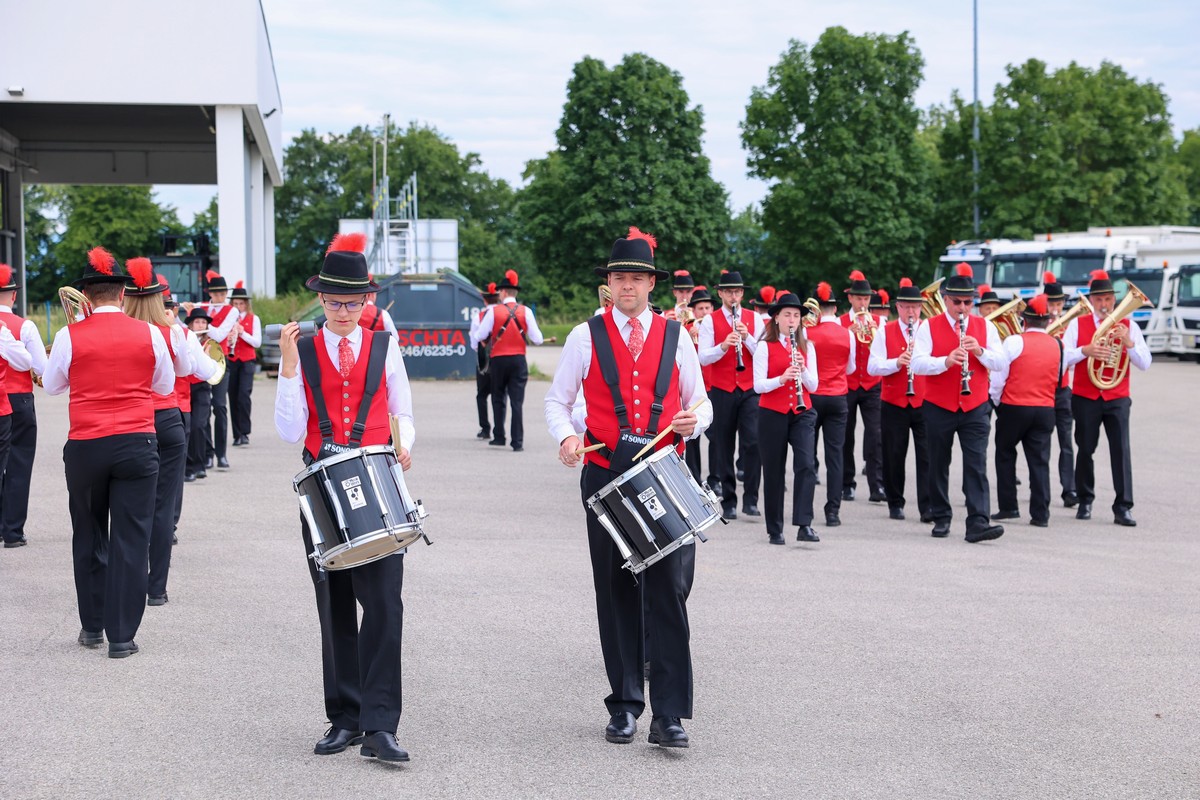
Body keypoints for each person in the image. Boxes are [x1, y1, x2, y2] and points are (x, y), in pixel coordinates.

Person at [545, 226, 711, 749]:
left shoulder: (676, 335)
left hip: (663, 473)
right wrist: (568, 437)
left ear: (651, 285)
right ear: (609, 284)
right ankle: (622, 706)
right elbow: (556, 401)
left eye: (637, 278)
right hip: (605, 473)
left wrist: (694, 422)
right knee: (615, 592)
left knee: (667, 593)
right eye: (619, 278)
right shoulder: (582, 336)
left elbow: (702, 402)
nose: (628, 286)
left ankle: (670, 714)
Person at [274, 231, 416, 764]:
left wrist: (405, 447)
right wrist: (289, 368)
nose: (341, 311)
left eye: (351, 302)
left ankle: (381, 726)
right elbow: (290, 432)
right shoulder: (305, 347)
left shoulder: (385, 345)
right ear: (321, 299)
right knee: (333, 606)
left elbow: (401, 409)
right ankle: (345, 718)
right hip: (322, 484)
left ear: (366, 301)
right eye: (333, 301)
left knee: (382, 605)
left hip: (378, 483)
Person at [42, 247, 174, 657]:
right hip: (137, 442)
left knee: (89, 532)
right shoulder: (150, 332)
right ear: (120, 295)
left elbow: (52, 386)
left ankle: (91, 627)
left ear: (88, 294)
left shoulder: (68, 335)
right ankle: (121, 636)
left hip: (85, 445)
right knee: (131, 538)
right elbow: (165, 386)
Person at [911, 263, 1007, 543]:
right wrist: (945, 361)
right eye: (957, 302)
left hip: (975, 405)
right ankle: (941, 516)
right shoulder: (928, 327)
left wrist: (980, 351)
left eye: (968, 302)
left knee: (976, 463)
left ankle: (978, 522)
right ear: (946, 300)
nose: (963, 308)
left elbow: (1000, 362)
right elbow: (917, 363)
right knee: (938, 462)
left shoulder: (985, 326)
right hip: (938, 405)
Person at [122, 260, 194, 605]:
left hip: (131, 422)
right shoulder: (171, 331)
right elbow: (185, 370)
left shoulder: (120, 330)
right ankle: (157, 589)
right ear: (158, 298)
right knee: (164, 507)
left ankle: (130, 581)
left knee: (131, 507)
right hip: (168, 418)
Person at [1061, 270, 1151, 526]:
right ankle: (1085, 500)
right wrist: (1085, 351)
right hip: (1085, 396)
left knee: (1121, 451)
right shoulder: (1077, 324)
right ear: (1092, 301)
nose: (1104, 305)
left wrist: (1129, 344)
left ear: (1115, 300)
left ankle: (1123, 506)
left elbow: (1145, 363)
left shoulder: (1129, 326)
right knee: (1085, 449)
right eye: (1099, 300)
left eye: (1108, 299)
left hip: (1117, 397)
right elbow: (1062, 357)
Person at [989, 294, 1061, 527]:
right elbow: (1058, 378)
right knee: (1040, 461)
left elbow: (999, 379)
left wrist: (997, 402)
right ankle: (1041, 514)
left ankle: (1009, 507)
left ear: (1024, 320)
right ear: (1048, 321)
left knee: (1005, 454)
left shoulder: (1013, 341)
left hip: (1014, 406)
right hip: (1045, 409)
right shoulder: (1058, 344)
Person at [753, 292, 819, 545]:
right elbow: (758, 386)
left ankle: (804, 524)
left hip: (802, 411)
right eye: (787, 315)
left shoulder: (807, 346)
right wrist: (781, 379)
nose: (792, 320)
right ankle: (775, 529)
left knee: (806, 465)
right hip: (772, 413)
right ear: (777, 318)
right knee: (773, 470)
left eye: (796, 316)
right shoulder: (763, 347)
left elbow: (814, 384)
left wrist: (802, 369)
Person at [697, 270, 760, 520]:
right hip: (722, 389)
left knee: (753, 442)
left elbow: (764, 353)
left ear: (742, 293)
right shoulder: (710, 322)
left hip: (750, 389)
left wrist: (748, 338)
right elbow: (703, 356)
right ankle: (730, 500)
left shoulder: (756, 319)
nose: (733, 296)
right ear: (720, 293)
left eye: (737, 292)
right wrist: (724, 346)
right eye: (728, 292)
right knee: (722, 444)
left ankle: (752, 498)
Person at [867, 278, 931, 523]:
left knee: (927, 455)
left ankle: (928, 507)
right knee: (894, 454)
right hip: (894, 401)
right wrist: (897, 362)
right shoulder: (885, 331)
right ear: (898, 308)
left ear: (921, 308)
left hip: (925, 401)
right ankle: (895, 502)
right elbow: (873, 366)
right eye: (906, 306)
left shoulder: (927, 330)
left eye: (915, 307)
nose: (911, 311)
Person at [471, 269, 544, 452]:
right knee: (517, 402)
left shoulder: (494, 312)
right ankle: (517, 442)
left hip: (498, 360)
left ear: (503, 292)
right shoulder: (525, 311)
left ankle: (499, 437)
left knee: (498, 398)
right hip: (518, 360)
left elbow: (480, 335)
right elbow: (538, 339)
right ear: (515, 293)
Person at [0, 263, 47, 548]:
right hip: (18, 398)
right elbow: (40, 366)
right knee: (19, 463)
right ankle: (13, 531)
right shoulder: (24, 326)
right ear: (14, 296)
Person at [806, 282, 854, 527]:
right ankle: (833, 512)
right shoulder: (848, 333)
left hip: (813, 397)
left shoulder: (807, 333)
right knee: (835, 456)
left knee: (807, 455)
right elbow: (851, 368)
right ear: (835, 307)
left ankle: (805, 510)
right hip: (838, 397)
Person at [839, 270, 886, 503]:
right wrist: (847, 335)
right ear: (850, 299)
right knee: (846, 434)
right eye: (858, 299)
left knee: (875, 434)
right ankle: (847, 483)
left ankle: (877, 485)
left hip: (872, 384)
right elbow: (833, 352)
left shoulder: (880, 322)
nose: (862, 303)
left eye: (866, 299)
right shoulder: (840, 323)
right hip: (847, 384)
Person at [1043, 272, 1078, 508]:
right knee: (1041, 443)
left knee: (1066, 442)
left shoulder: (1069, 327)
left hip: (1063, 389)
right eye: (1051, 303)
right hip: (1042, 391)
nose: (1055, 308)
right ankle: (1041, 489)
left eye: (1058, 303)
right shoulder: (1035, 323)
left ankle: (1070, 490)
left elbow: (1073, 359)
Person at [683, 286, 714, 483]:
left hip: (713, 387)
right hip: (692, 389)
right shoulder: (685, 330)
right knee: (692, 440)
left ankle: (715, 479)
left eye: (707, 308)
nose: (704, 312)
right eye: (700, 309)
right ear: (694, 311)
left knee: (717, 439)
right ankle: (694, 479)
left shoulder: (715, 328)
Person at [226, 281, 262, 447]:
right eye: (235, 303)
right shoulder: (227, 320)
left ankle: (245, 433)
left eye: (241, 303)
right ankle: (237, 435)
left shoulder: (253, 319)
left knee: (243, 396)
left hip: (247, 361)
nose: (239, 306)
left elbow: (257, 342)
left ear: (246, 304)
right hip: (232, 361)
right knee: (232, 396)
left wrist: (242, 333)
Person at [184, 308, 215, 481]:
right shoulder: (184, 340)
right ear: (190, 324)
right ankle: (188, 468)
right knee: (187, 427)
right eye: (197, 322)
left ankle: (200, 464)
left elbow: (213, 368)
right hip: (186, 387)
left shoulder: (210, 343)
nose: (201, 324)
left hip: (202, 387)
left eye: (204, 322)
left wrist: (207, 357)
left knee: (199, 425)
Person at [470, 282, 500, 439]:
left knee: (481, 395)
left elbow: (474, 342)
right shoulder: (505, 313)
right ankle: (498, 431)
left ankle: (485, 428)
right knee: (498, 395)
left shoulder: (479, 317)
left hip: (484, 360)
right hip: (501, 358)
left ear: (485, 300)